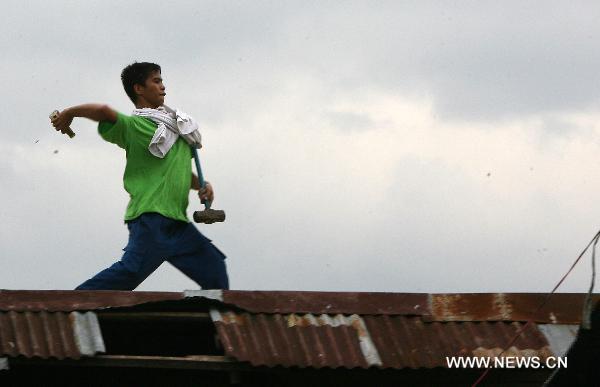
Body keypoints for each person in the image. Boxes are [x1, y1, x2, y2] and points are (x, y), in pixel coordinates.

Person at [51, 62, 229, 290]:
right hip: (151, 219)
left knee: (215, 271)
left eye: (162, 81)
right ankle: (72, 307)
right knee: (129, 273)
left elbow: (178, 170)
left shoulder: (178, 130)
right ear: (139, 89)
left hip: (178, 224)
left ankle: (214, 323)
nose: (163, 86)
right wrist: (69, 113)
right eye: (156, 81)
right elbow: (104, 110)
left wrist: (202, 185)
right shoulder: (135, 126)